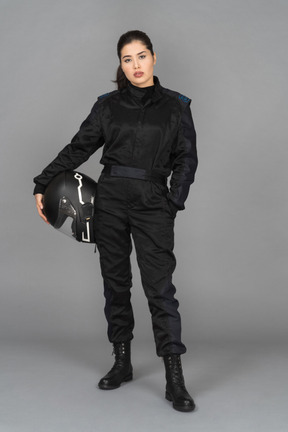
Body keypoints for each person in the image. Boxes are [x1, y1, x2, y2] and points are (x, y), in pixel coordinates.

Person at [34, 30, 198, 412]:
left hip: (153, 203)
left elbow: (186, 160)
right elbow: (79, 147)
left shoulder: (176, 106)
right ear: (120, 65)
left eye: (142, 56)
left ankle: (175, 379)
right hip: (108, 202)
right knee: (115, 283)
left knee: (160, 289)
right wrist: (43, 182)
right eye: (128, 59)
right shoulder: (107, 106)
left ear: (154, 58)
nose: (136, 65)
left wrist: (173, 201)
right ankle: (121, 363)